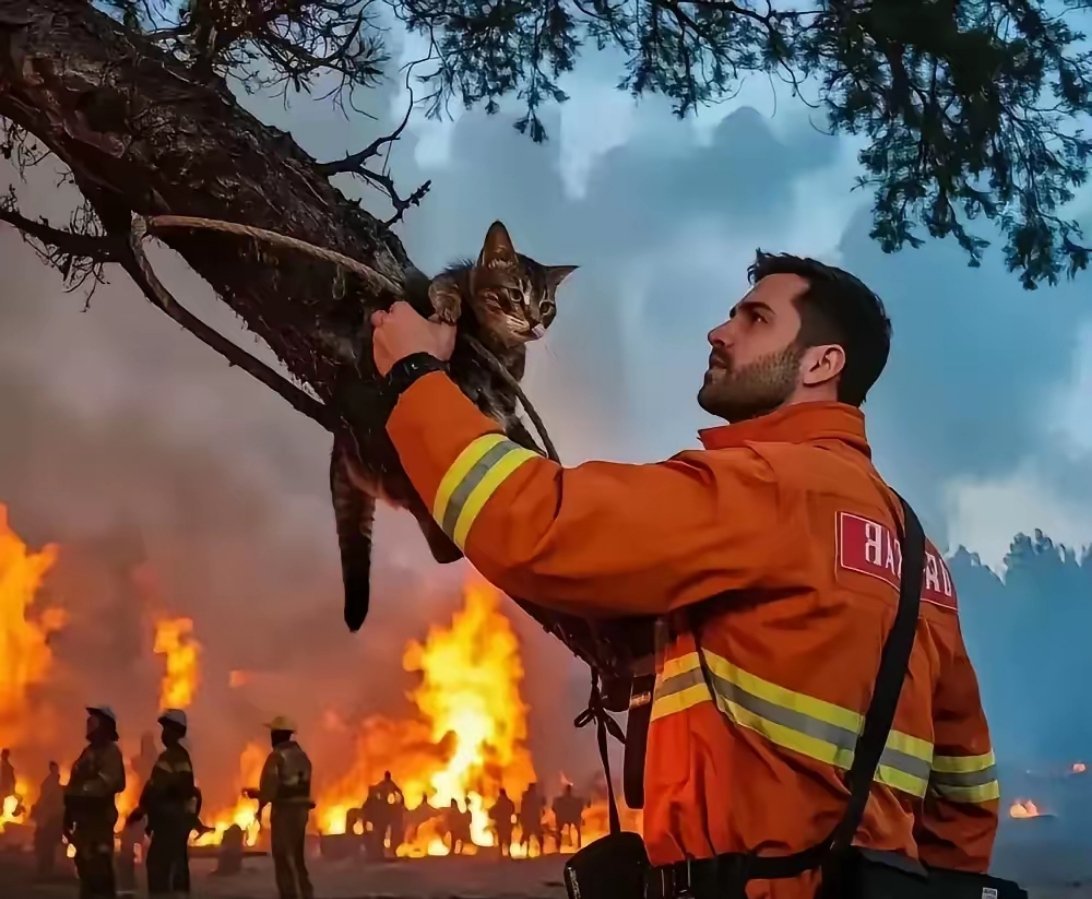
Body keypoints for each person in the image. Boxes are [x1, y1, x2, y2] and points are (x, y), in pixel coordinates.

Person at [369, 252, 1000, 897]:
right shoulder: (919, 557)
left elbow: (531, 524)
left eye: (755, 318)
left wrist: (414, 374)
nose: (719, 332)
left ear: (822, 363)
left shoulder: (767, 487)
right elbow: (967, 792)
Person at [127, 709, 198, 896]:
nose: (163, 734)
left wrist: (154, 802)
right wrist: (144, 809)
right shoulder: (169, 756)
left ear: (177, 731)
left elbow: (183, 788)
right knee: (168, 867)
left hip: (170, 825)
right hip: (166, 823)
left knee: (163, 868)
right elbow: (154, 786)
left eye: (167, 729)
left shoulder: (177, 757)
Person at [244, 715, 314, 899]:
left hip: (284, 812)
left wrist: (257, 798)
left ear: (277, 735)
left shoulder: (276, 757)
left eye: (273, 733)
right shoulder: (302, 756)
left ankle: (289, 895)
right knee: (297, 858)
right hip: (301, 812)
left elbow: (270, 790)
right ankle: (306, 893)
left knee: (283, 858)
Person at [64, 705, 126, 899]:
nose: (89, 723)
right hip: (82, 825)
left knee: (99, 870)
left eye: (94, 720)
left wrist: (78, 793)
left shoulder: (111, 753)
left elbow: (107, 784)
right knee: (86, 871)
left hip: (99, 823)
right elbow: (75, 782)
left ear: (106, 726)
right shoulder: (88, 752)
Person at [31, 761, 65, 879]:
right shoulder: (49, 785)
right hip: (49, 819)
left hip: (53, 819)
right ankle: (44, 868)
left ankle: (46, 868)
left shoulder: (54, 786)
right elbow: (45, 800)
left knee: (49, 844)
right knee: (47, 844)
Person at [518, 783, 545, 856]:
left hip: (530, 819)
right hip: (533, 819)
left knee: (527, 835)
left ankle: (526, 850)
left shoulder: (527, 797)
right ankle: (540, 851)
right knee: (535, 836)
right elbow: (542, 804)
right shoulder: (533, 797)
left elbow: (523, 809)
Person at [488, 788, 516, 857]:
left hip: (500, 823)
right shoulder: (509, 802)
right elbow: (512, 810)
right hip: (507, 823)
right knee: (508, 838)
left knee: (501, 838)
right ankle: (508, 852)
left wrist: (495, 816)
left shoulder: (498, 803)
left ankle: (501, 852)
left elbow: (491, 813)